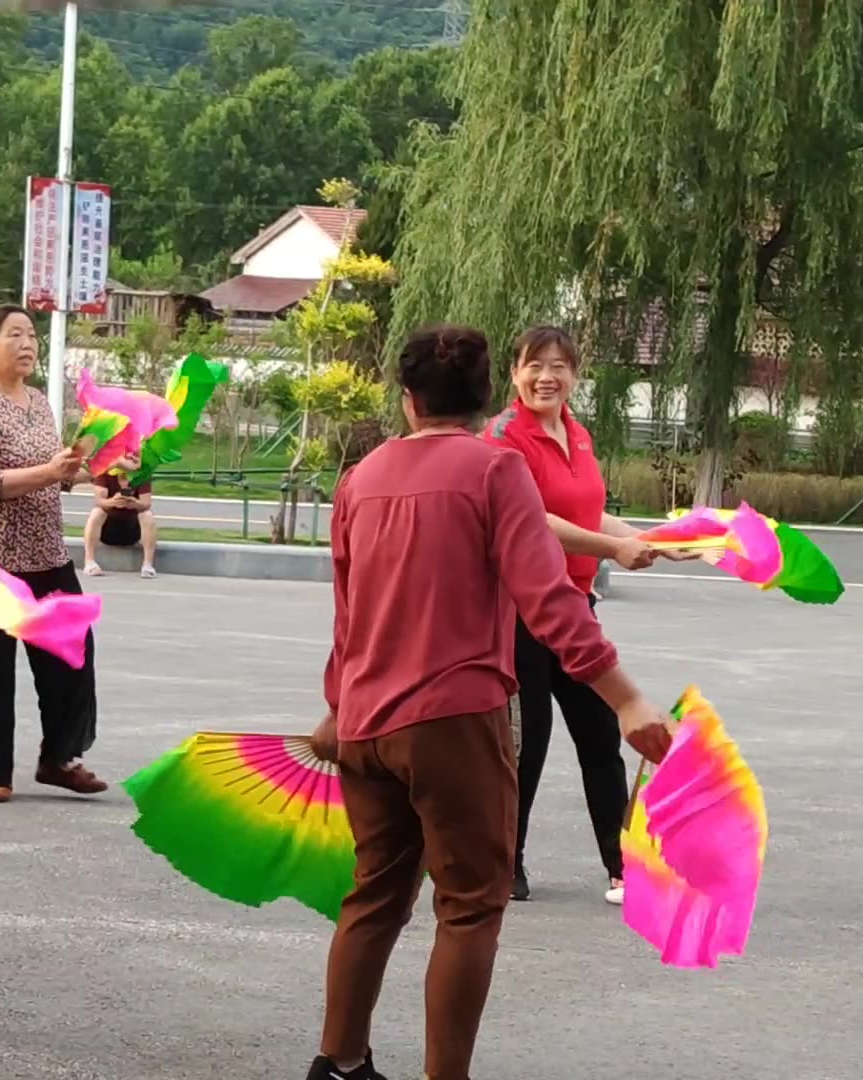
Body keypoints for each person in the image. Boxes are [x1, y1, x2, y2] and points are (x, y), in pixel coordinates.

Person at [305, 324, 673, 1080]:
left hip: (366, 724)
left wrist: (338, 705)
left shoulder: (360, 478)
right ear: (484, 398)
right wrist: (628, 699)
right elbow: (550, 603)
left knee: (374, 898)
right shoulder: (496, 470)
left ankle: (338, 1063)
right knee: (470, 906)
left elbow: (349, 611)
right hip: (453, 721)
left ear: (407, 400)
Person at [482, 326, 694, 905]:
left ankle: (622, 866)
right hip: (520, 611)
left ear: (575, 374)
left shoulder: (577, 434)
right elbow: (531, 520)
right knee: (527, 748)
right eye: (535, 365)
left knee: (602, 737)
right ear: (515, 372)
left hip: (573, 606)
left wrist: (654, 539)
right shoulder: (504, 438)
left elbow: (589, 514)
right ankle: (507, 863)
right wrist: (613, 551)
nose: (546, 376)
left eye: (559, 366)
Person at [0, 304, 107, 803]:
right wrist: (48, 473)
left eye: (31, 335)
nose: (27, 344)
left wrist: (101, 472)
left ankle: (58, 759)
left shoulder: (38, 402)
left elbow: (56, 471)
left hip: (45, 551)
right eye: (13, 335)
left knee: (71, 656)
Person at [82, 461, 157, 579]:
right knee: (97, 512)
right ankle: (89, 562)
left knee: (147, 515)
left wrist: (134, 503)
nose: (133, 458)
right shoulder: (105, 470)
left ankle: (147, 565)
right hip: (108, 529)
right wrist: (112, 502)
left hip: (132, 528)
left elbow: (146, 503)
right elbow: (99, 500)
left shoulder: (142, 472)